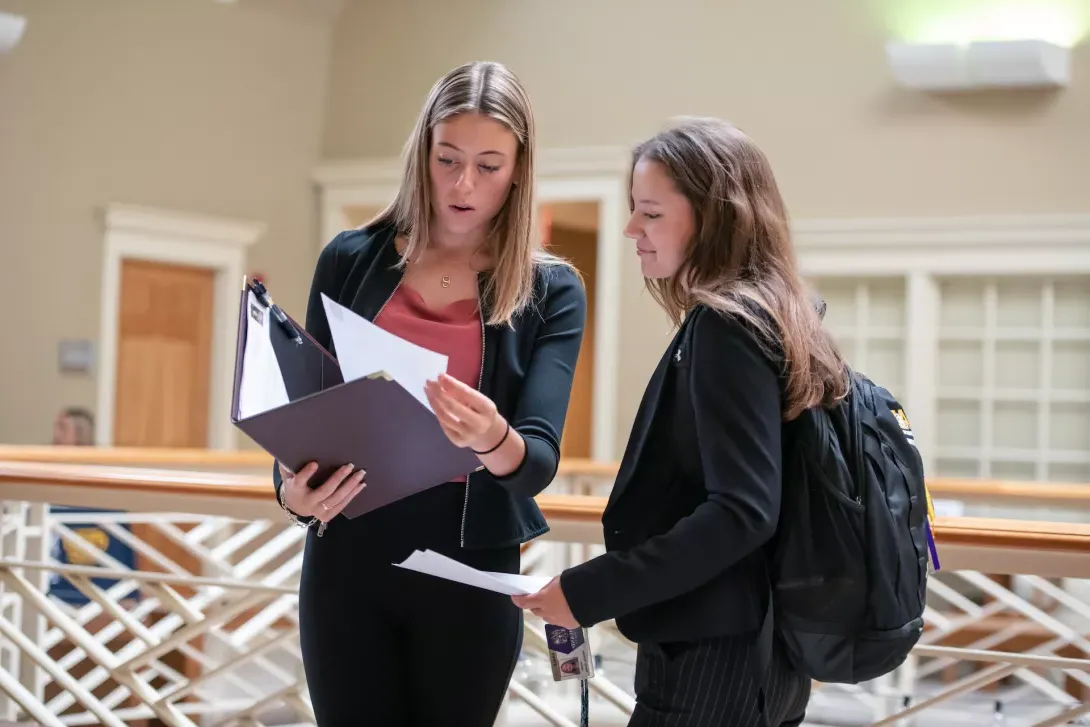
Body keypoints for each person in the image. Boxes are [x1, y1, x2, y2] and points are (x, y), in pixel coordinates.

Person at [271, 61, 586, 726]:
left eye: (489, 165)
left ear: (520, 171)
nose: (464, 183)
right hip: (346, 556)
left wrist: (492, 437)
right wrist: (289, 489)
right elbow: (310, 415)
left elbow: (537, 462)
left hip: (470, 570)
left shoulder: (551, 290)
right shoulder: (349, 257)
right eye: (447, 159)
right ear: (423, 153)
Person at [513, 117, 847, 726]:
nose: (630, 229)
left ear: (715, 215)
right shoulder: (783, 313)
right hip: (761, 650)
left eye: (651, 213)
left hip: (715, 657)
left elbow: (743, 511)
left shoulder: (728, 326)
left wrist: (588, 591)